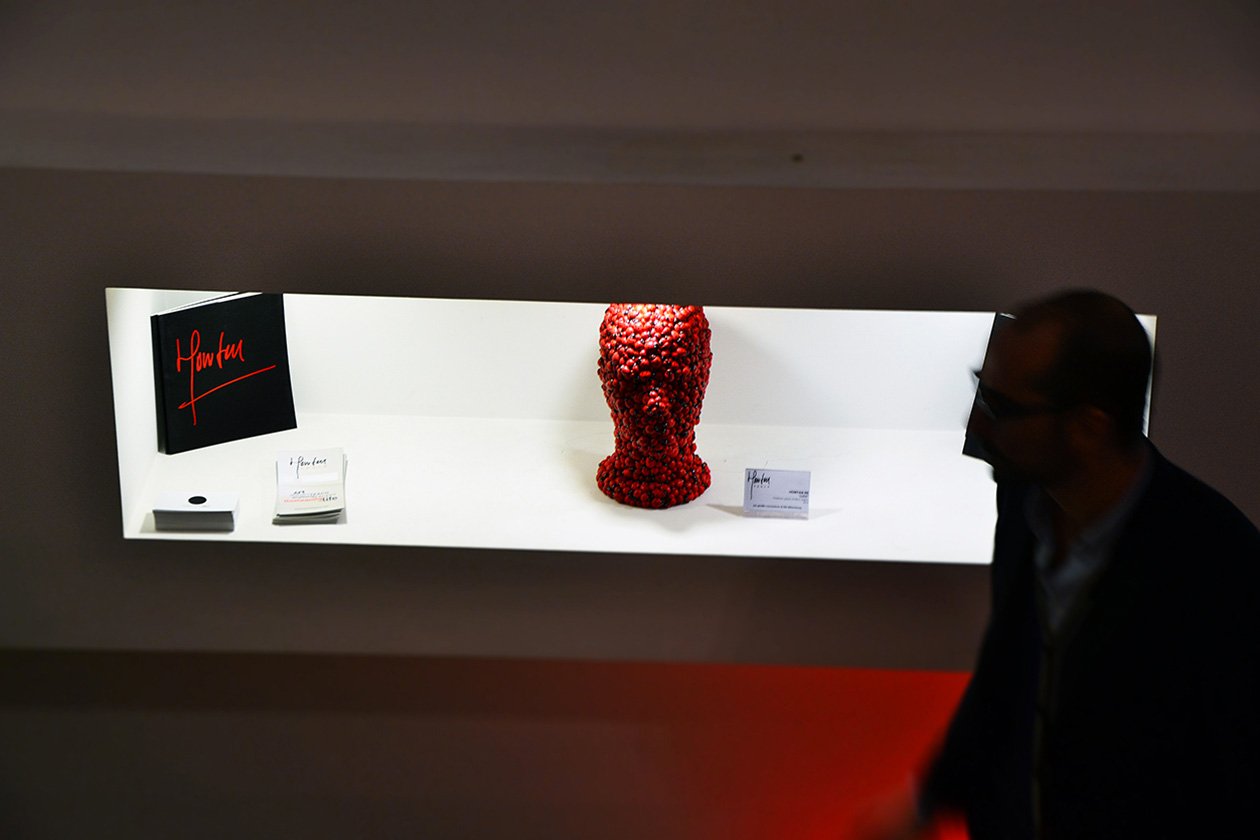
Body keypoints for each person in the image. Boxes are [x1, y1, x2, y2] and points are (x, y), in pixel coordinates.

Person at [859, 289, 1260, 839]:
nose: (978, 428)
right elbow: (1008, 666)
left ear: (1089, 427)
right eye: (981, 392)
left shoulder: (1217, 564)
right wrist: (928, 798)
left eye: (1003, 408)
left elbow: (1234, 775)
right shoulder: (1025, 500)